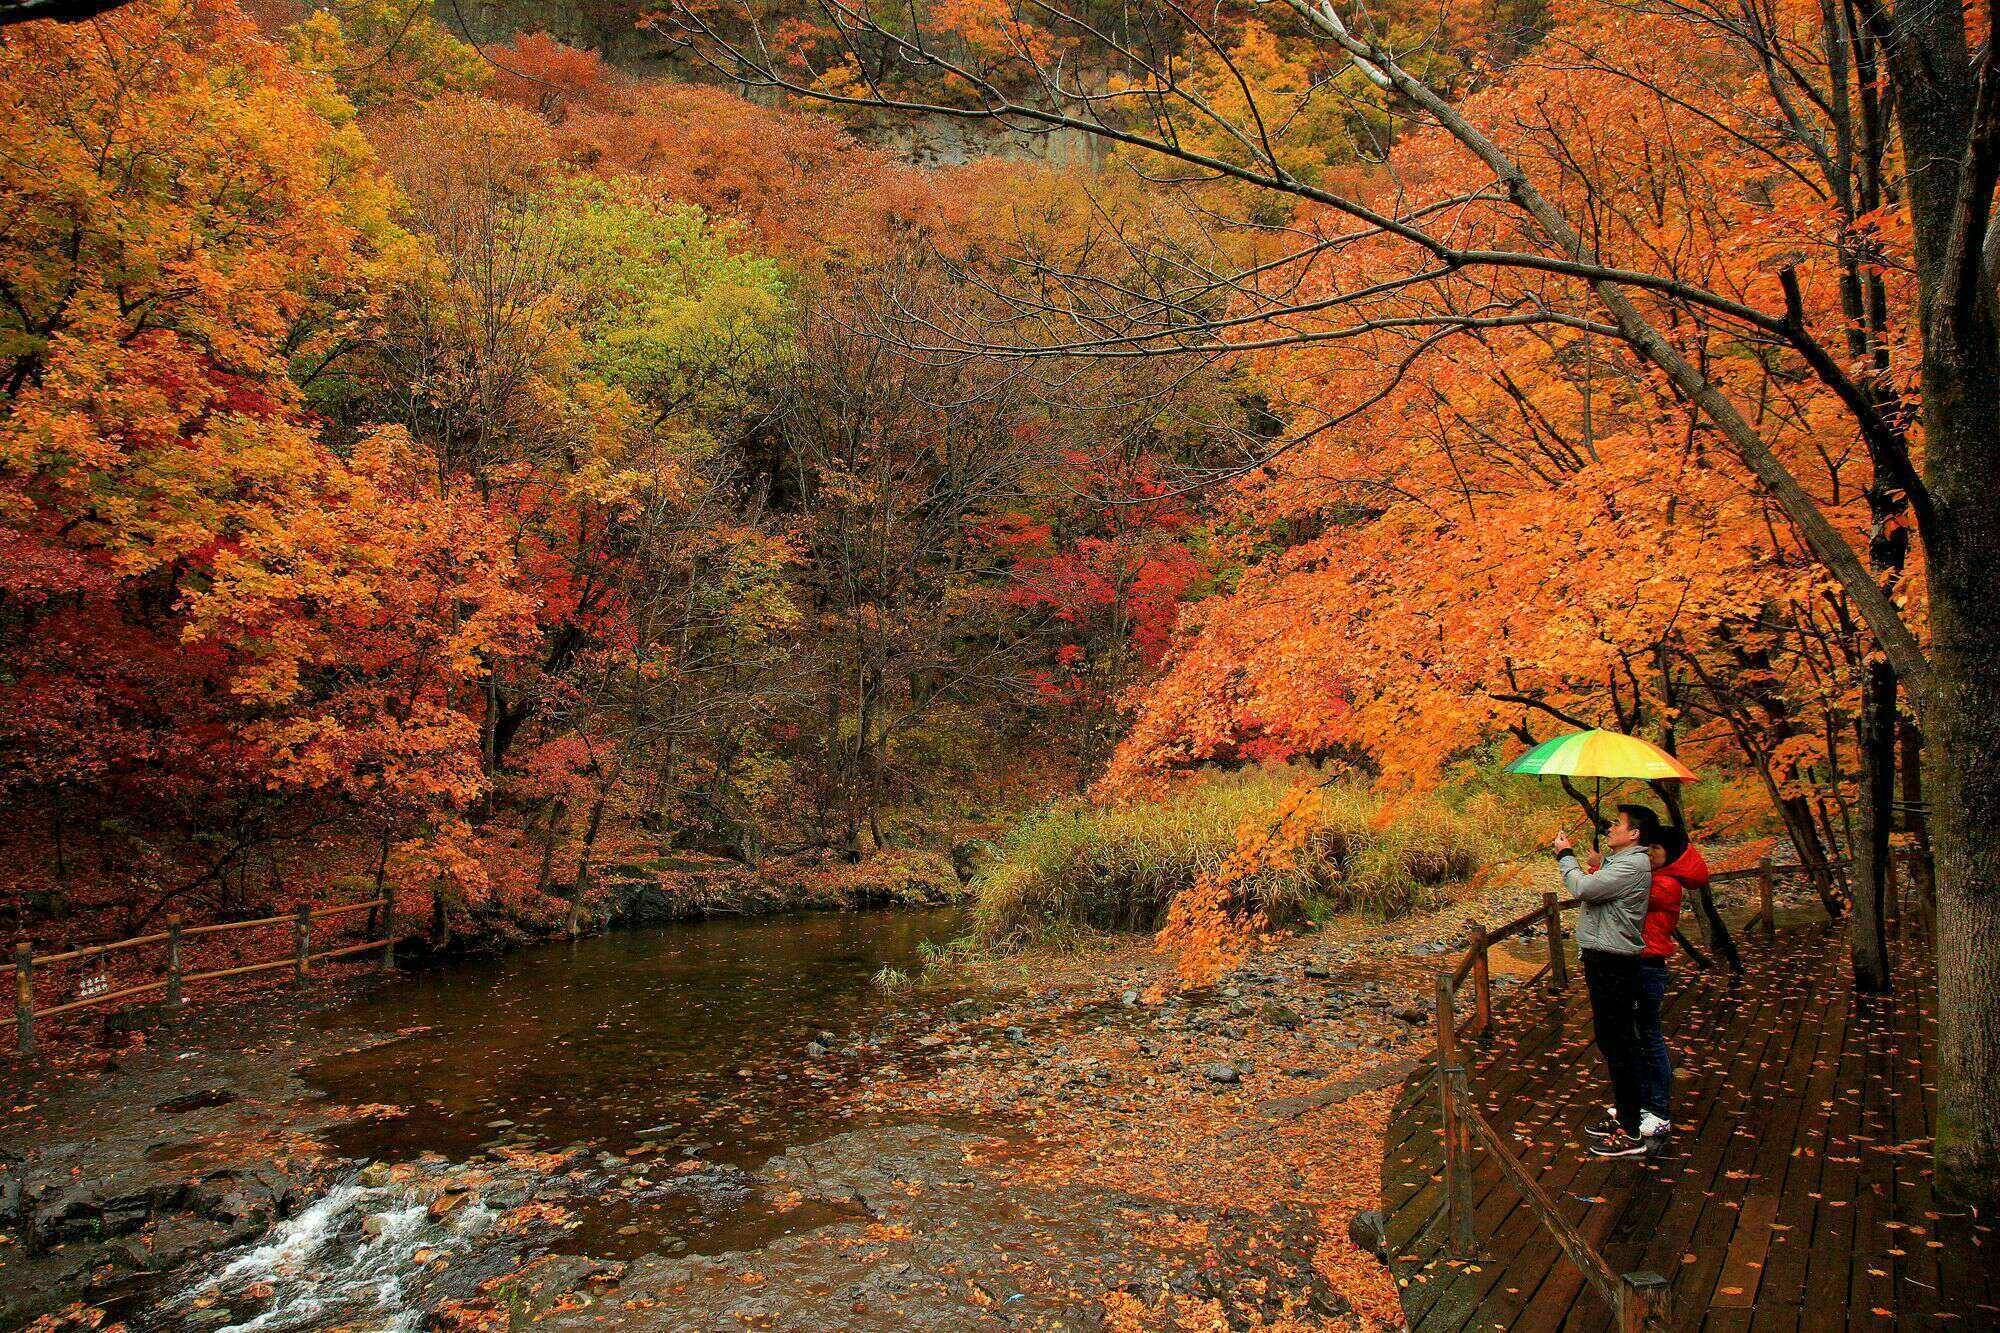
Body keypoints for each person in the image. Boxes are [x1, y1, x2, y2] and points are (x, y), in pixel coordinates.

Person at [1552, 803, 1659, 1158]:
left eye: (1619, 823)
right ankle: (1627, 1114)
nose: (1611, 826)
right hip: (1605, 957)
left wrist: (1566, 856)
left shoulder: (1632, 864)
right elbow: (1601, 888)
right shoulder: (1624, 862)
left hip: (1613, 961)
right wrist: (1601, 862)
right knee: (1612, 1039)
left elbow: (1582, 889)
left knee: (1620, 1042)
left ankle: (1631, 1130)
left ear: (1635, 834)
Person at [1634, 824, 1709, 1140]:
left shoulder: (1666, 885)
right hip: (1639, 964)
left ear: (1671, 855)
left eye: (1656, 850)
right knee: (1637, 1038)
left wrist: (1600, 867)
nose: (1649, 854)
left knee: (1649, 1038)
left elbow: (1630, 895)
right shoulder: (1658, 879)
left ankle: (1660, 1111)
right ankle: (1644, 1105)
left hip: (1649, 966)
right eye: (1648, 848)